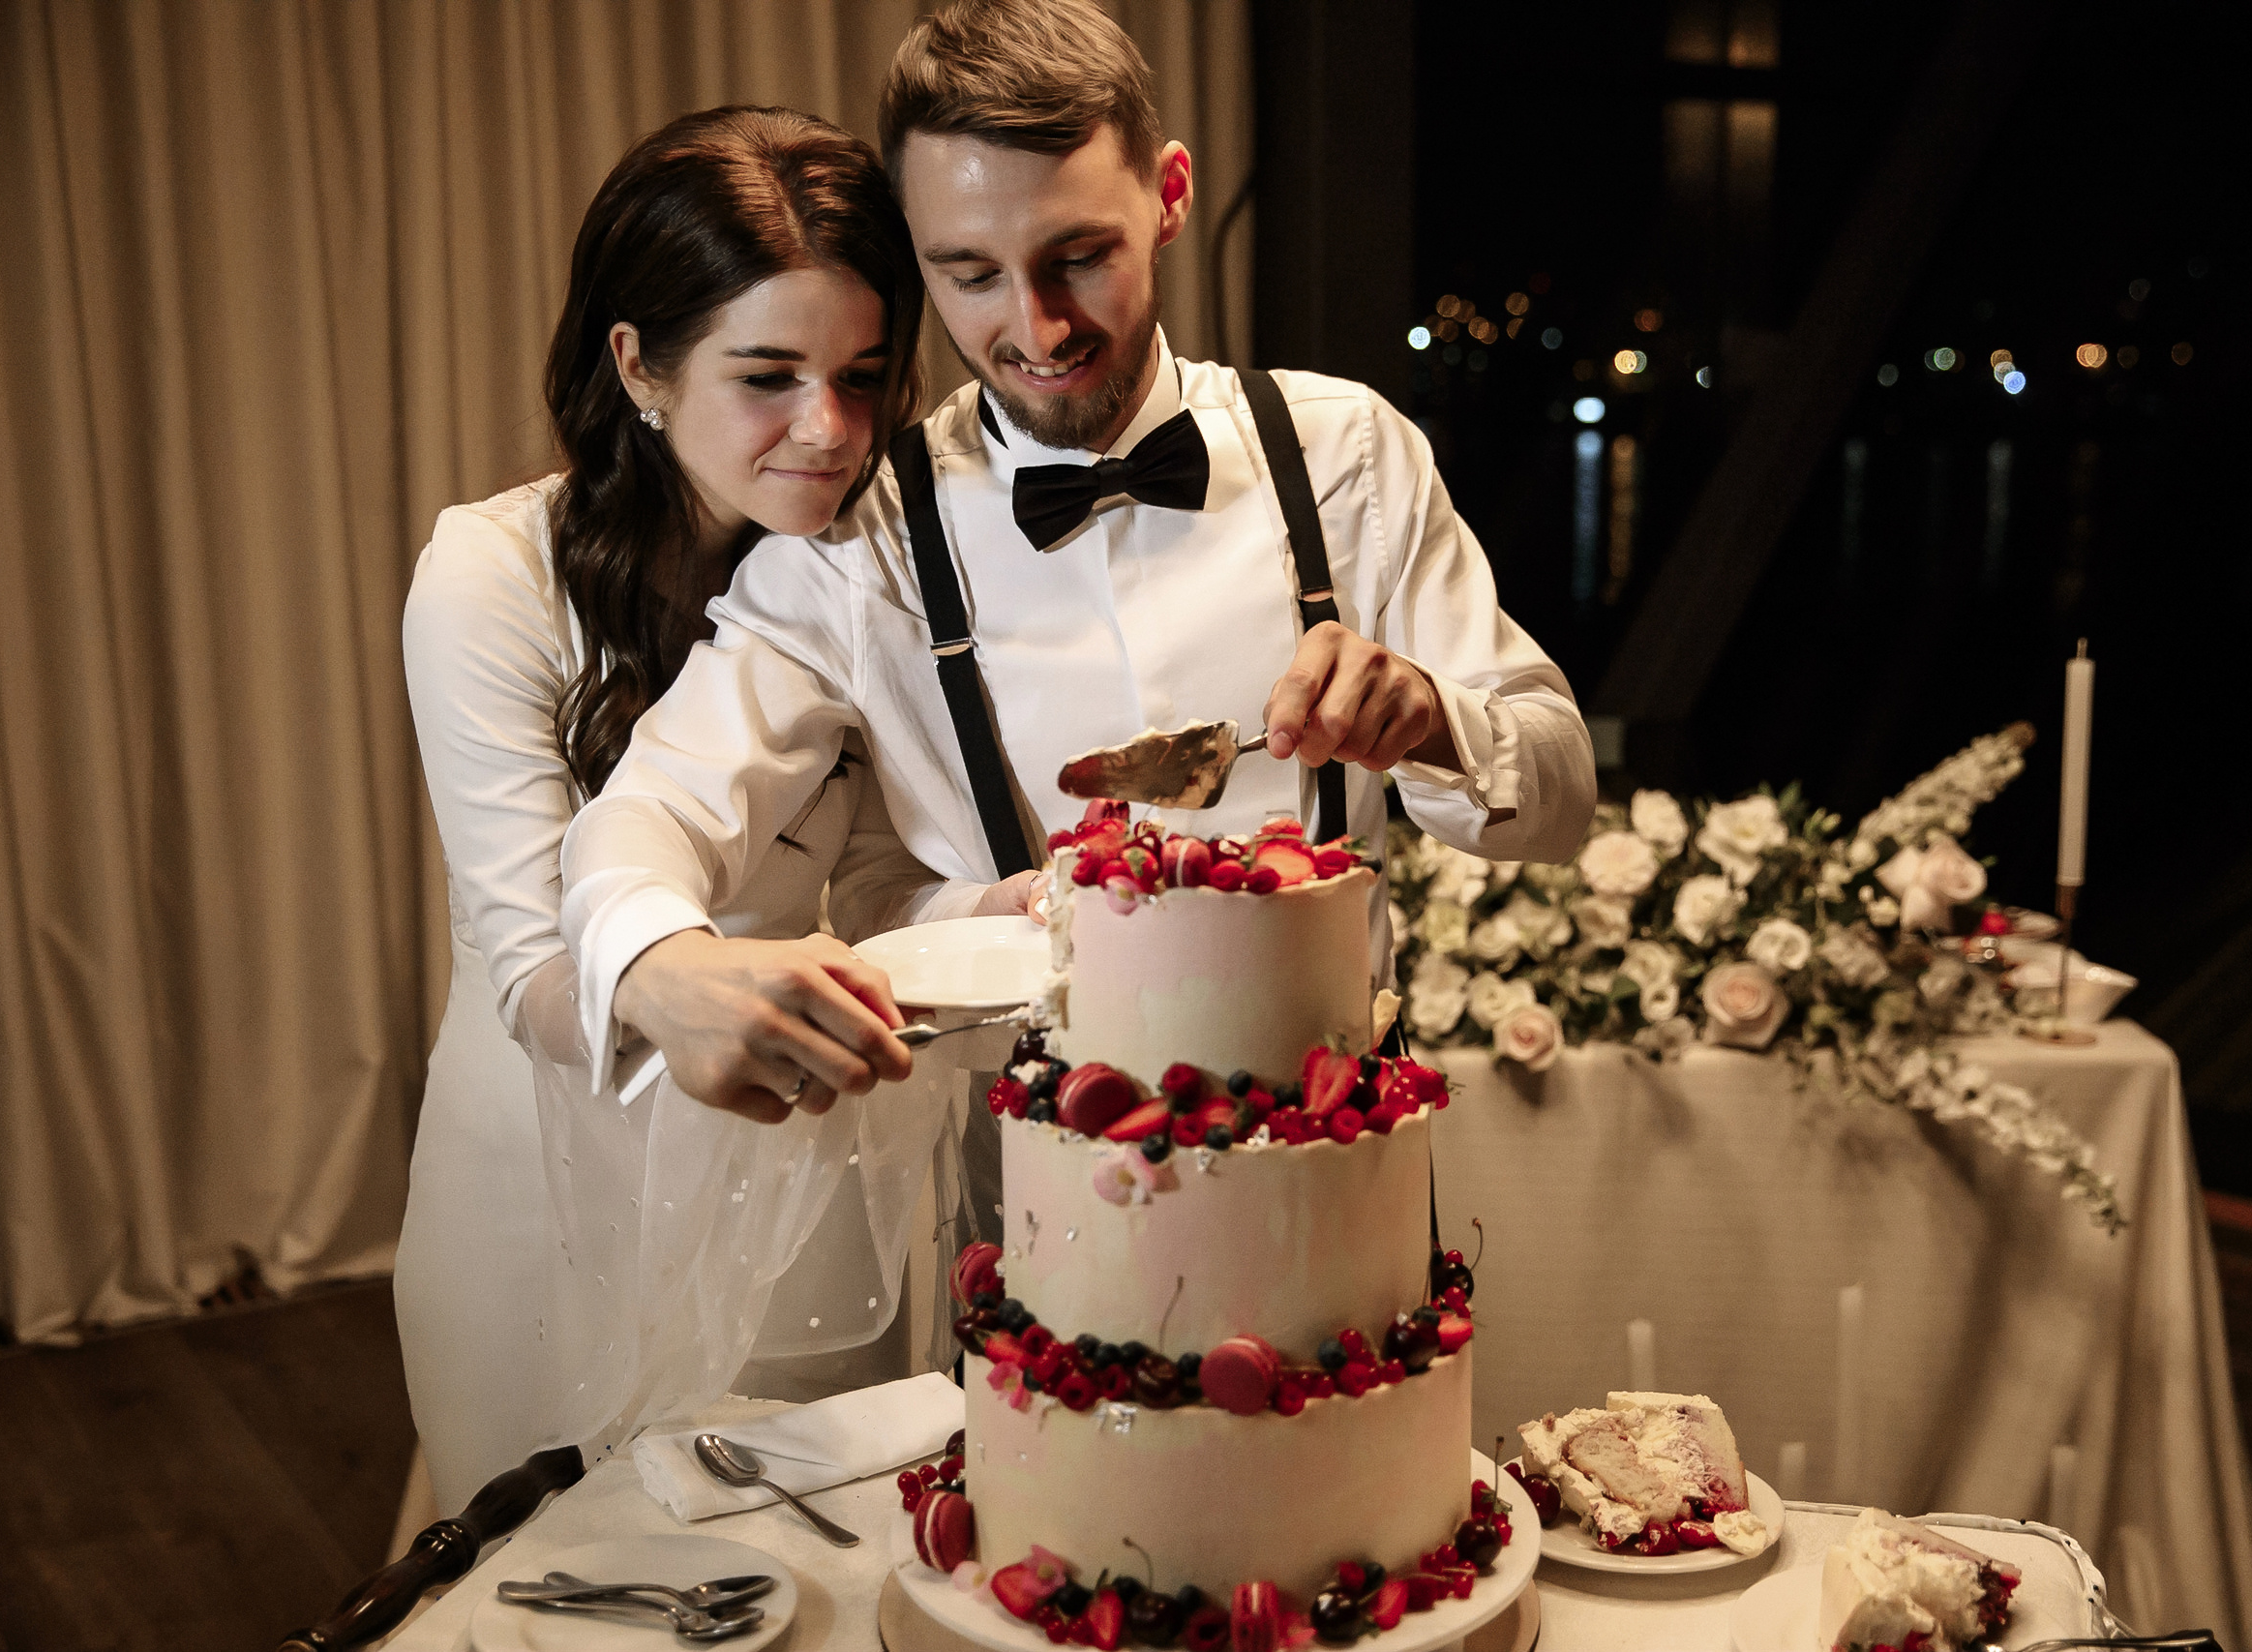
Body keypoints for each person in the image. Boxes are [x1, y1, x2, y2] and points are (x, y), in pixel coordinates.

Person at [561, 0, 1596, 1119]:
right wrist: (654, 962)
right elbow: (652, 808)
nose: (1039, 328)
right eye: (969, 274)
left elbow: (1559, 794)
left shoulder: (1345, 450)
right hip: (1024, 1203)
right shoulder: (866, 538)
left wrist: (1432, 716)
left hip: (1341, 1171)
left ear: (1168, 196)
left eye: (1078, 257)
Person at [396, 105, 1017, 1512]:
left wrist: (1018, 909)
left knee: (813, 1564)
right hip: (539, 1178)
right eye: (769, 374)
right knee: (553, 1569)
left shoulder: (877, 569)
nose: (833, 429)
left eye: (865, 375)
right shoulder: (490, 575)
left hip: (801, 1180)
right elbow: (532, 970)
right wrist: (674, 988)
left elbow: (878, 898)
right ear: (640, 365)